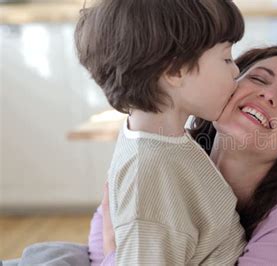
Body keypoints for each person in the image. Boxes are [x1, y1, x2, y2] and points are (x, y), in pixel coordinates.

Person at [90, 46, 277, 265]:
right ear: (223, 89)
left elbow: (111, 239)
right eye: (258, 79)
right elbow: (99, 232)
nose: (268, 94)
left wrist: (116, 249)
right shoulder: (165, 161)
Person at [74, 0, 246, 265]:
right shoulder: (151, 173)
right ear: (175, 70)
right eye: (226, 58)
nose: (236, 71)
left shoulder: (164, 140)